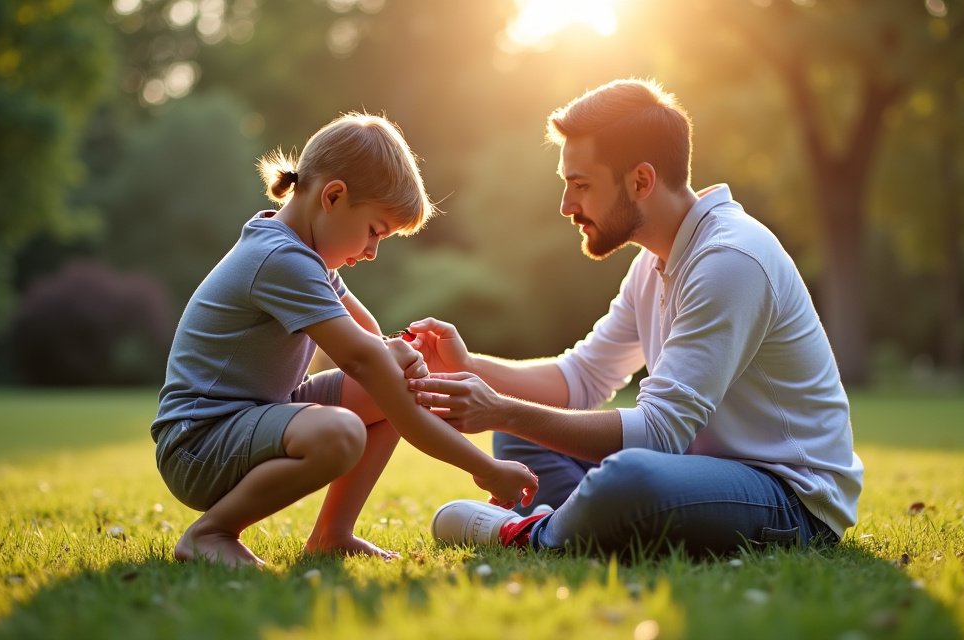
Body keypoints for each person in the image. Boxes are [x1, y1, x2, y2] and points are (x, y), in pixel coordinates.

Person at [407, 79, 863, 557]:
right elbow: (582, 375)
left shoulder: (730, 259)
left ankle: (528, 535)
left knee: (628, 477)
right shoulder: (654, 261)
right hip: (693, 476)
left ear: (641, 181)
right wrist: (468, 370)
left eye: (580, 185)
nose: (566, 206)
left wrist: (500, 406)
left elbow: (661, 434)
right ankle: (571, 526)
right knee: (521, 433)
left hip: (789, 498)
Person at [150, 113, 537, 567]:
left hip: (251, 416)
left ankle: (333, 534)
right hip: (198, 444)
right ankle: (210, 534)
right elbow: (365, 359)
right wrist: (485, 468)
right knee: (344, 429)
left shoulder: (307, 256)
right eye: (374, 231)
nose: (373, 251)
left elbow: (371, 341)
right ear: (333, 196)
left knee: (392, 386)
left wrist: (401, 354)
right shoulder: (280, 259)